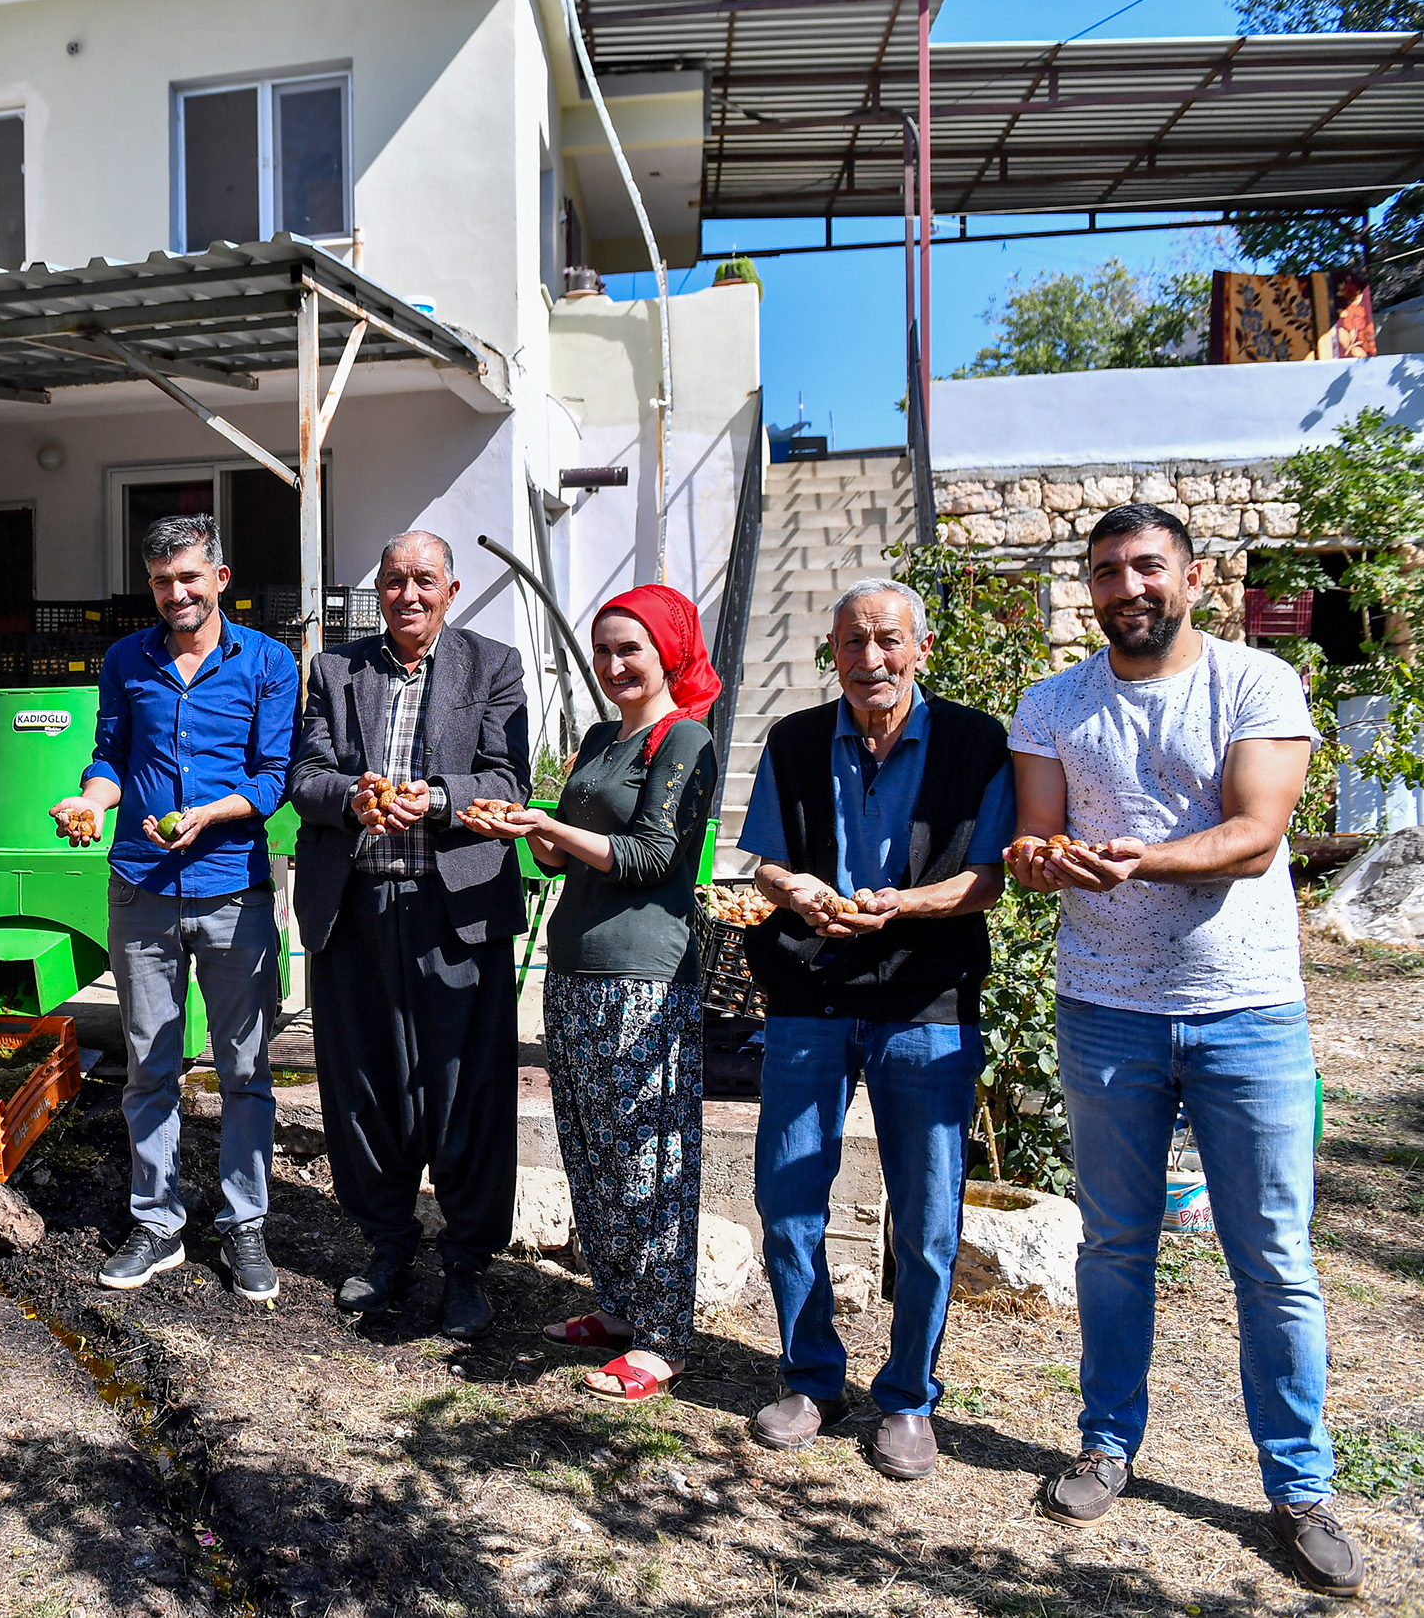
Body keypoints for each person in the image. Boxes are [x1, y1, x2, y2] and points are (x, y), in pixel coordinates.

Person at [1008, 504, 1361, 1597]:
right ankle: (1107, 1441)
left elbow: (1256, 834)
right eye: (1106, 569)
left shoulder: (1255, 683)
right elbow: (1033, 835)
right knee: (1114, 1244)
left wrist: (1141, 859)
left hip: (1245, 1008)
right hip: (1104, 1006)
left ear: (1192, 576)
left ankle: (1298, 1485)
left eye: (1146, 565)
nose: (1127, 586)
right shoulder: (1052, 701)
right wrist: (1038, 857)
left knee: (1274, 1258)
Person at [736, 578, 1015, 1479]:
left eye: (888, 641)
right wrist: (799, 889)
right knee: (786, 1196)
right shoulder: (795, 739)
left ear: (920, 649)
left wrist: (901, 906)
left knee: (928, 1215)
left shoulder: (977, 742)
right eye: (853, 643)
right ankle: (813, 1374)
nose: (871, 660)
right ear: (833, 650)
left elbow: (986, 880)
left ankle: (907, 1395)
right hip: (811, 991)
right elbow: (769, 862)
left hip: (925, 997)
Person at [51, 514, 297, 1302]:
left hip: (233, 886)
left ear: (220, 578)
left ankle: (243, 1221)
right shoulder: (127, 659)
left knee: (244, 1066)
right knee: (150, 1063)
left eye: (189, 577)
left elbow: (272, 777)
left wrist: (212, 812)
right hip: (143, 887)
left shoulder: (267, 661)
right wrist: (91, 800)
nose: (176, 593)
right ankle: (156, 1220)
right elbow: (110, 754)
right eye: (161, 581)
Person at [288, 531, 528, 1340]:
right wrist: (354, 798)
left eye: (424, 580)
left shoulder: (491, 665)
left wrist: (431, 800)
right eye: (393, 581)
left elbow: (506, 780)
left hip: (454, 910)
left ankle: (466, 1262)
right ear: (378, 591)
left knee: (466, 1088)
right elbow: (305, 778)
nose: (408, 594)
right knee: (362, 1085)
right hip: (356, 909)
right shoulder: (333, 669)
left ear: (451, 590)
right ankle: (388, 1243)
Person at [487, 584, 720, 1392]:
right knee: (590, 1144)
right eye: (604, 648)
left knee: (648, 1153)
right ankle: (619, 1304)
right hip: (576, 966)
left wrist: (552, 826)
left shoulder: (684, 739)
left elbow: (652, 856)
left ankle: (663, 1335)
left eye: (632, 649)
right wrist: (532, 834)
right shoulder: (597, 736)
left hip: (644, 974)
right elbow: (566, 854)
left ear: (668, 654)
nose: (615, 663)